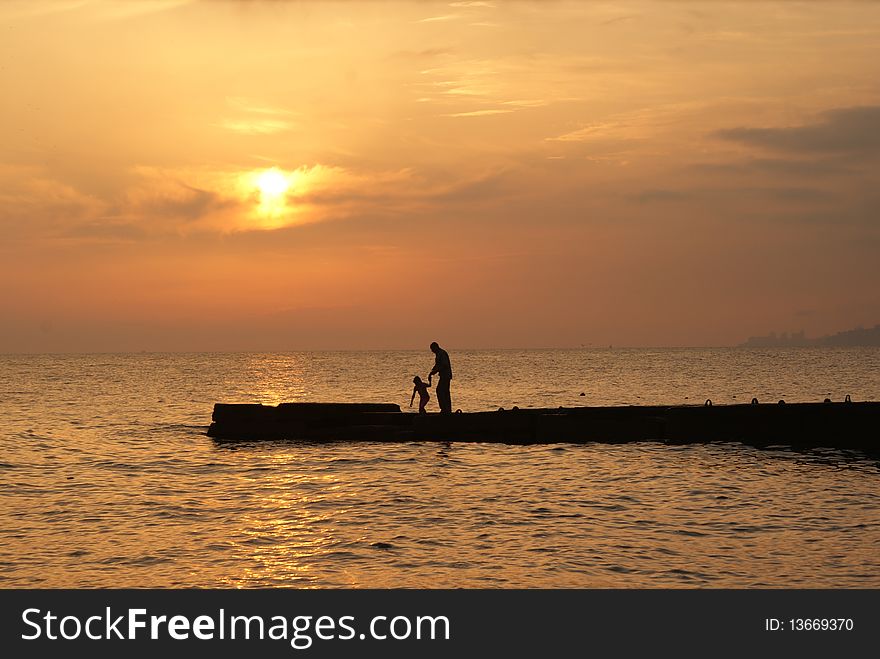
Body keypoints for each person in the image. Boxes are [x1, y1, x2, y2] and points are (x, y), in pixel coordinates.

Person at [429, 342, 453, 414]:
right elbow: (437, 365)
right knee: (444, 392)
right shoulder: (438, 354)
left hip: (446, 376)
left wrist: (435, 371)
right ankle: (446, 409)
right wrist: (432, 372)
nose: (432, 351)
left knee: (440, 391)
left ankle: (445, 409)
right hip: (443, 376)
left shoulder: (442, 353)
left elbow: (444, 365)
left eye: (432, 349)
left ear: (435, 347)